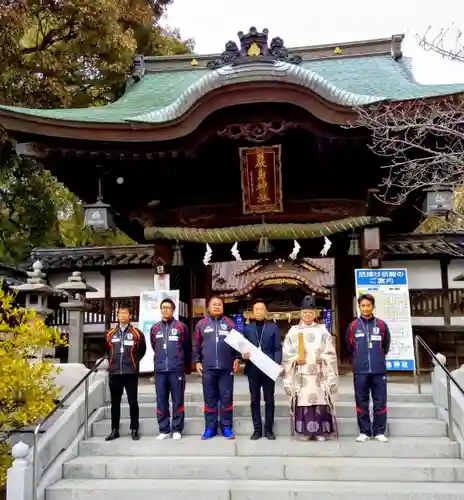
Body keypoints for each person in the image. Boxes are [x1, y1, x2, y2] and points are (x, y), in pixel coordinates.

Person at [282, 295, 338, 441]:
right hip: (301, 374)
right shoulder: (293, 331)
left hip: (319, 372)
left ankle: (320, 432)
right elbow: (287, 354)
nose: (307, 315)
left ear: (315, 314)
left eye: (310, 312)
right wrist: (295, 360)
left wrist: (324, 358)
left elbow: (331, 352)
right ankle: (305, 432)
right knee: (304, 400)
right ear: (301, 313)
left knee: (320, 400)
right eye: (305, 312)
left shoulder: (323, 331)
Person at [194, 296, 240, 440]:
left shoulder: (230, 324)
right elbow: (196, 345)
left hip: (226, 369)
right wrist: (197, 361)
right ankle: (210, 427)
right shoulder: (201, 324)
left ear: (223, 307)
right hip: (208, 368)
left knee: (226, 398)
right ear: (208, 307)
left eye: (219, 304)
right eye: (214, 304)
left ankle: (226, 427)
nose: (217, 307)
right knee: (210, 398)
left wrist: (237, 358)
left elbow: (238, 343)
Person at [347, 293, 391, 443]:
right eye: (363, 305)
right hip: (360, 371)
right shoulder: (353, 326)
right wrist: (358, 361)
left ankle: (379, 431)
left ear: (373, 306)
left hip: (379, 370)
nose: (366, 308)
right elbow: (349, 347)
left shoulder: (381, 325)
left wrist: (377, 357)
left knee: (380, 401)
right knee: (362, 401)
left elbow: (386, 346)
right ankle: (364, 431)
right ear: (359, 307)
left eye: (368, 305)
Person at [150, 298, 191, 441]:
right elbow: (154, 346)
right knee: (161, 400)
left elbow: (186, 347)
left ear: (173, 310)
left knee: (177, 400)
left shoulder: (181, 327)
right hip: (160, 370)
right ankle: (164, 429)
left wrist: (182, 364)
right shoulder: (155, 328)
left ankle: (177, 429)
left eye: (167, 308)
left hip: (176, 369)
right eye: (162, 308)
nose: (164, 310)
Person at [105, 305, 146, 441]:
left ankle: (134, 429)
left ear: (130, 316)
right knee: (115, 402)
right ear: (117, 316)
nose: (122, 315)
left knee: (133, 401)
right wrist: (112, 364)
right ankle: (114, 429)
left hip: (130, 373)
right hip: (115, 373)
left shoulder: (136, 333)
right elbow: (107, 350)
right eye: (119, 313)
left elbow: (142, 349)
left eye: (125, 313)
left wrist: (134, 362)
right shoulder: (111, 333)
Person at [242, 299, 282, 440]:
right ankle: (257, 429)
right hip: (253, 369)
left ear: (266, 312)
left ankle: (269, 430)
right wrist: (243, 356)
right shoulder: (247, 329)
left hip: (268, 369)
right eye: (256, 309)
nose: (259, 312)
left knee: (269, 400)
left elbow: (277, 348)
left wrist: (276, 365)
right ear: (252, 312)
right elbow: (243, 349)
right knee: (254, 400)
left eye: (261, 309)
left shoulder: (273, 328)